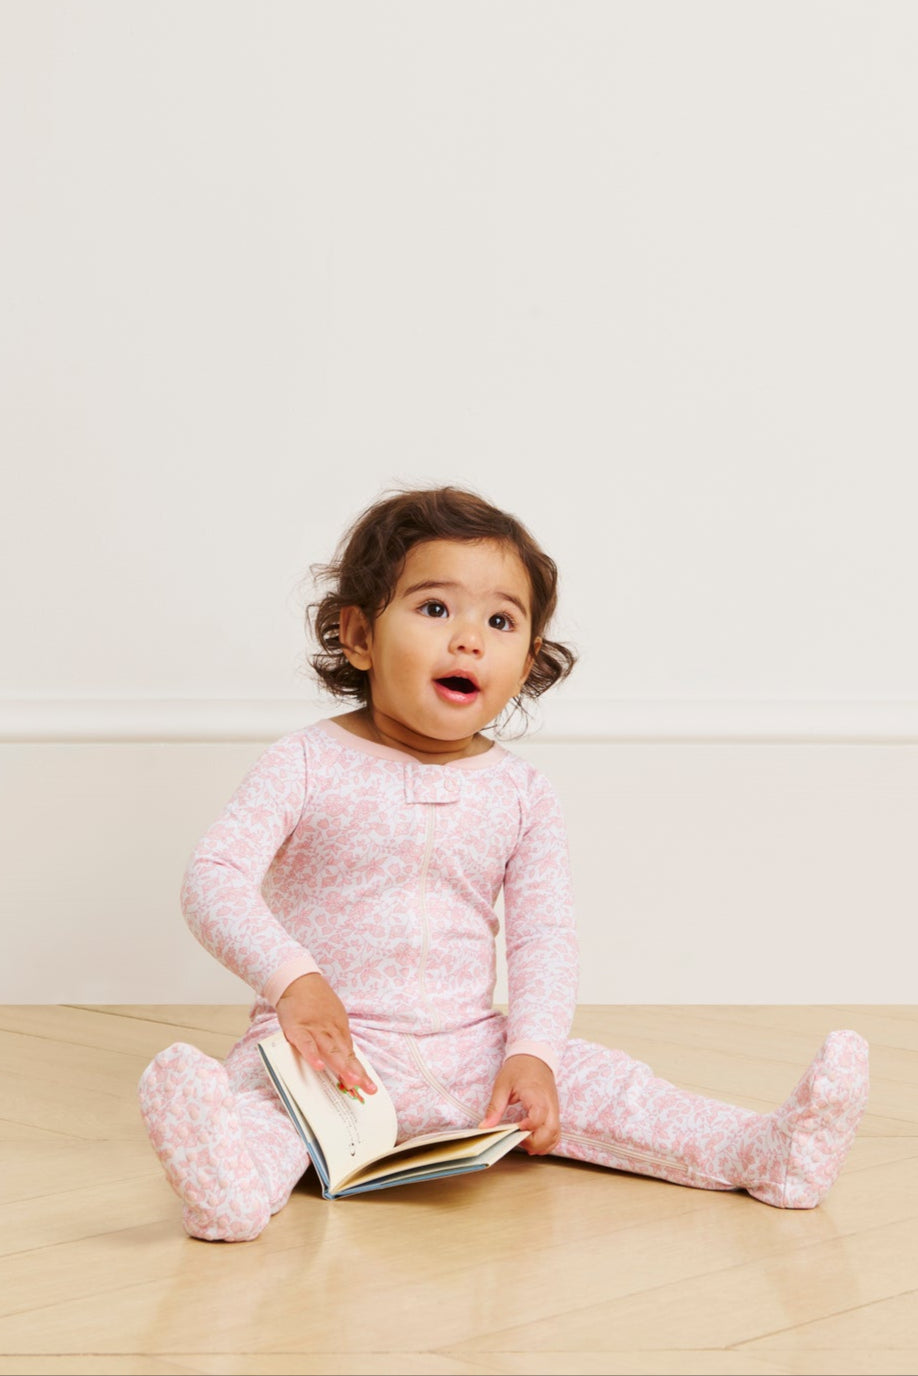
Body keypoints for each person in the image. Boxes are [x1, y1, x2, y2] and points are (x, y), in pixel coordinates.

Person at [139, 485, 869, 1242]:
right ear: (358, 636)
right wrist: (293, 980)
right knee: (267, 1105)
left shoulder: (521, 793)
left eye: (500, 620)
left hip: (473, 1053)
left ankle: (766, 1152)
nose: (469, 640)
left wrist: (532, 1053)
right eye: (434, 609)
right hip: (330, 1051)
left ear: (526, 663)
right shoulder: (304, 764)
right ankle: (231, 1184)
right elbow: (212, 878)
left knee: (612, 1085)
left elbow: (542, 938)